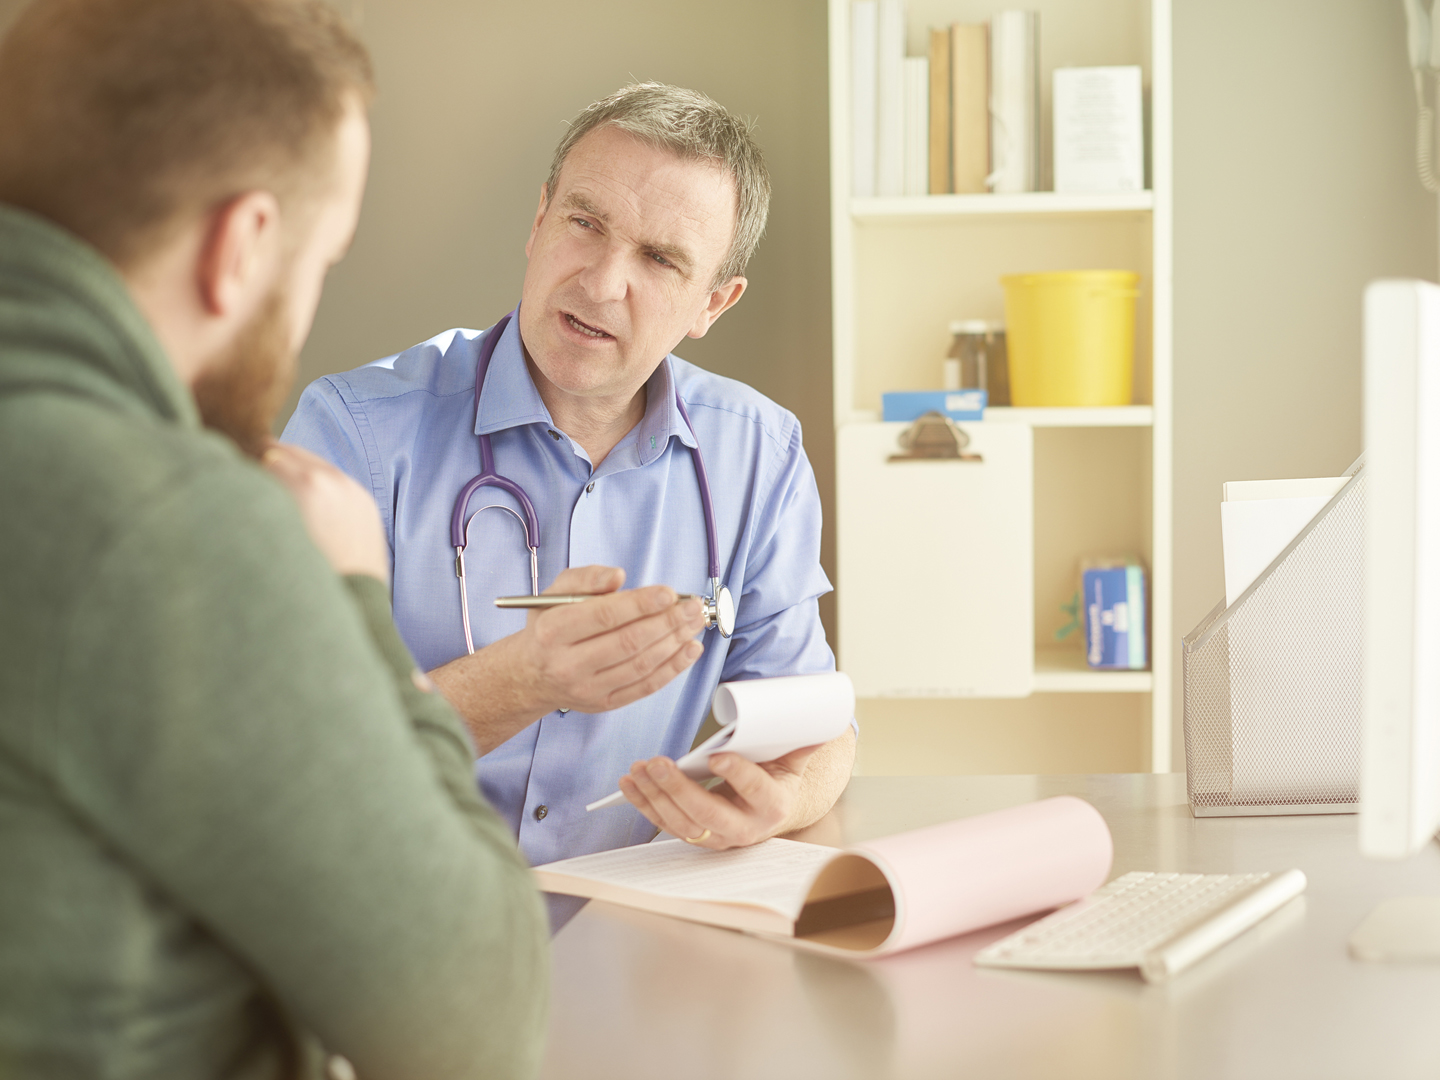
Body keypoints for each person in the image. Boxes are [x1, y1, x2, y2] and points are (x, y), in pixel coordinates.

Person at [0, 1, 547, 1077]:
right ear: (242, 247)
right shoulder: (171, 527)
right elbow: (477, 1030)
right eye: (324, 258)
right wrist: (357, 600)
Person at [283, 83, 855, 889]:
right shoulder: (354, 433)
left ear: (713, 303)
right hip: (397, 929)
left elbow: (818, 722)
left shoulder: (758, 454)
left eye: (660, 259)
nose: (602, 282)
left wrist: (780, 799)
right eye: (585, 223)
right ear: (539, 218)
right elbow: (285, 749)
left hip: (638, 935)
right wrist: (525, 680)